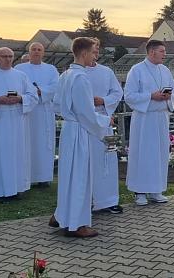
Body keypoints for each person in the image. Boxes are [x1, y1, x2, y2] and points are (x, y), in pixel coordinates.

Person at [49, 37, 111, 238]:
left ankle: (62, 214)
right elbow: (86, 113)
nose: (95, 56)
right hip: (79, 131)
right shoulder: (81, 78)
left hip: (69, 129)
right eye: (93, 52)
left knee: (68, 175)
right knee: (80, 177)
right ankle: (76, 224)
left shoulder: (65, 75)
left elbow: (56, 105)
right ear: (84, 53)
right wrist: (105, 121)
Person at [0, 47, 38, 201]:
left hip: (17, 122)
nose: (8, 59)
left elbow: (33, 96)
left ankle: (17, 188)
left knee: (17, 155)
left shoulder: (21, 76)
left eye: (10, 56)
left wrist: (20, 98)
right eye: (4, 56)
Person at [124, 40, 174, 206]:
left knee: (159, 154)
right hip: (144, 119)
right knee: (143, 154)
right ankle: (140, 191)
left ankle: (156, 190)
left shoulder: (165, 70)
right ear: (152, 52)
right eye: (162, 51)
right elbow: (129, 96)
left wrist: (168, 96)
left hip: (161, 118)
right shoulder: (137, 70)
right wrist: (150, 96)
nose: (165, 54)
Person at [86, 42, 125, 213]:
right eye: (92, 51)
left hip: (105, 121)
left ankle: (108, 200)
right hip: (85, 125)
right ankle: (88, 201)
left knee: (107, 161)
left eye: (97, 51)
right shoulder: (74, 74)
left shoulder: (106, 72)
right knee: (88, 162)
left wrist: (104, 100)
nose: (95, 54)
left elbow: (117, 92)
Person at [15, 42, 59, 187]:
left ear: (43, 53)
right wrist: (31, 93)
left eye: (39, 49)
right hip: (26, 111)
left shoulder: (51, 69)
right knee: (26, 142)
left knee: (43, 144)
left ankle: (43, 177)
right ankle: (25, 176)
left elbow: (56, 86)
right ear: (29, 52)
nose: (36, 52)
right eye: (33, 49)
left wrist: (41, 91)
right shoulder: (19, 69)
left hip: (43, 111)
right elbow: (16, 86)